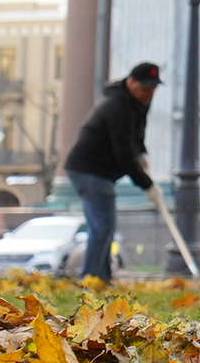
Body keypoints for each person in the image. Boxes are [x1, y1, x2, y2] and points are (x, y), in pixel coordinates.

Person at [61, 61, 158, 281]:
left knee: (106, 226)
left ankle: (101, 276)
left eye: (152, 88)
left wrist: (142, 153)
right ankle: (92, 278)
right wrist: (146, 184)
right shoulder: (117, 107)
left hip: (102, 173)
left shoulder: (138, 103)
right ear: (131, 82)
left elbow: (136, 136)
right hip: (89, 169)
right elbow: (123, 153)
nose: (149, 93)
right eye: (145, 88)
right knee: (102, 226)